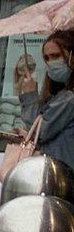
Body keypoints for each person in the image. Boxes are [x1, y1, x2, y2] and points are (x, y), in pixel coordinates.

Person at [16, 30, 74, 171]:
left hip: (63, 177)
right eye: (46, 58)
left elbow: (40, 132)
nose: (51, 62)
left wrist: (30, 95)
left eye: (56, 56)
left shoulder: (69, 99)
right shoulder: (61, 95)